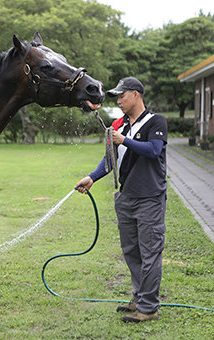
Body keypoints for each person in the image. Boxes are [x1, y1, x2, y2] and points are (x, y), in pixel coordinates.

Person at [76, 77, 167, 323]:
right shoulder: (121, 124)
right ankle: (140, 298)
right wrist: (92, 178)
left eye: (121, 95)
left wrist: (124, 140)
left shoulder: (155, 121)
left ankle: (149, 309)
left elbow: (153, 150)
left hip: (149, 198)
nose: (118, 100)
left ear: (136, 94)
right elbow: (110, 159)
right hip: (126, 198)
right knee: (132, 252)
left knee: (150, 253)